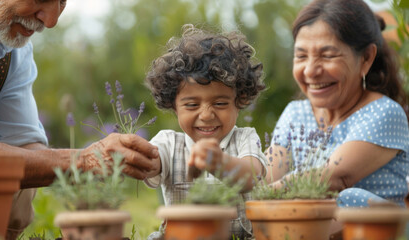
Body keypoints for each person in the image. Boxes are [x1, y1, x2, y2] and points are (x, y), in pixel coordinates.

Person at [0, 1, 159, 239]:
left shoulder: (13, 54)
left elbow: (24, 144)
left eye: (62, 1)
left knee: (19, 178)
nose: (51, 20)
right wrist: (82, 161)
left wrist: (91, 167)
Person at [265, 0, 409, 236]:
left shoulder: (385, 113)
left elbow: (336, 178)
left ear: (366, 58)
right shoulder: (295, 113)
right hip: (304, 229)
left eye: (327, 55)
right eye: (301, 56)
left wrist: (264, 197)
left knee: (350, 198)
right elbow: (269, 174)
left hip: (375, 233)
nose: (310, 70)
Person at [143, 24, 267, 239]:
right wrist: (139, 160)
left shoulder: (246, 138)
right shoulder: (168, 143)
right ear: (174, 106)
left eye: (220, 104)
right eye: (191, 105)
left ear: (240, 101)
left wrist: (219, 163)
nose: (207, 115)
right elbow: (152, 163)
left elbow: (251, 176)